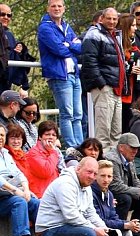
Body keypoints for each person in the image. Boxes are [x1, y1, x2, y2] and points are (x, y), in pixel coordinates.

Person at [37, 0, 84, 149]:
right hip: (59, 75)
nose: (56, 8)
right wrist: (70, 46)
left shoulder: (66, 26)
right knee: (67, 114)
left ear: (64, 8)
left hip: (73, 74)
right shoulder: (45, 27)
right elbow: (58, 49)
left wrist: (68, 45)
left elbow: (80, 48)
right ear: (48, 9)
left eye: (59, 6)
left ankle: (81, 146)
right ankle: (71, 147)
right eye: (53, 6)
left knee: (78, 114)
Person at [80, 7, 124, 148]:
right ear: (102, 19)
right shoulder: (94, 35)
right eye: (109, 18)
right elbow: (89, 61)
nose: (112, 21)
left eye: (114, 19)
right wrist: (102, 84)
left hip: (116, 88)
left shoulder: (115, 35)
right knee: (103, 131)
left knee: (116, 132)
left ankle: (114, 160)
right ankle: (102, 159)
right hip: (105, 87)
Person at [103, 132, 140, 236]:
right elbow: (115, 186)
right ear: (121, 147)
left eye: (137, 148)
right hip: (111, 196)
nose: (135, 151)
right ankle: (120, 232)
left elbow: (135, 181)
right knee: (125, 198)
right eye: (132, 147)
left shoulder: (129, 159)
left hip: (124, 192)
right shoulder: (112, 159)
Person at [0, 123, 38, 236]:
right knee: (19, 202)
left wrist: (26, 190)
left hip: (9, 195)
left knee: (36, 203)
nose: (0, 138)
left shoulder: (6, 154)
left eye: (2, 135)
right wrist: (16, 191)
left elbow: (19, 174)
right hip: (3, 197)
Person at [26, 121, 63, 199]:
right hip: (41, 196)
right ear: (40, 137)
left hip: (56, 193)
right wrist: (53, 152)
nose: (51, 137)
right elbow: (46, 171)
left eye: (54, 135)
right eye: (47, 134)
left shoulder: (56, 152)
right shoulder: (33, 153)